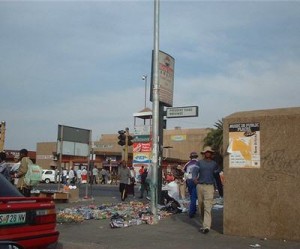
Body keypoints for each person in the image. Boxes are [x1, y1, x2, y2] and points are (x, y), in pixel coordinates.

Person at [193, 146, 220, 234]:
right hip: (200, 185)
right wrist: (194, 179)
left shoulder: (214, 164)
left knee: (208, 206)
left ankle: (206, 226)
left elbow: (216, 175)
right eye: (206, 152)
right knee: (201, 205)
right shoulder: (199, 163)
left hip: (209, 186)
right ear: (204, 154)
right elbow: (195, 172)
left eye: (209, 152)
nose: (208, 153)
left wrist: (219, 187)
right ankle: (203, 222)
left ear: (211, 154)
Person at [183, 151, 199, 218]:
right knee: (195, 196)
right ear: (196, 156)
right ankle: (192, 211)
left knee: (192, 196)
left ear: (190, 157)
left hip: (189, 181)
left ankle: (193, 210)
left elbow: (184, 171)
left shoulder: (188, 163)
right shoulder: (199, 162)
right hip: (197, 180)